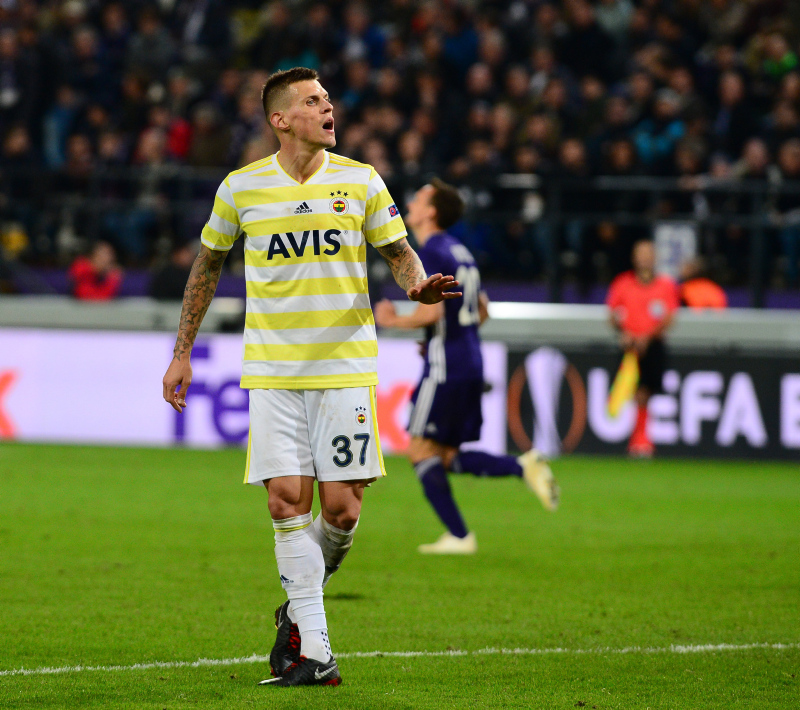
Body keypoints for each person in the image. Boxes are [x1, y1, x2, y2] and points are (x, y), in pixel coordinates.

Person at [161, 67, 459, 688]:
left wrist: (417, 286)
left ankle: (297, 610)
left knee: (343, 512)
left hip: (344, 367)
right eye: (313, 101)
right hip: (273, 370)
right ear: (281, 119)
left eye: (327, 99)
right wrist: (181, 351)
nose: (328, 108)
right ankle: (314, 653)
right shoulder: (241, 188)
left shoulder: (361, 180)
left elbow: (399, 252)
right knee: (285, 501)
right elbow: (206, 268)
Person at [374, 179, 559, 556]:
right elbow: (482, 309)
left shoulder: (432, 250)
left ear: (431, 212)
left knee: (420, 451)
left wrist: (393, 321)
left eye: (419, 198)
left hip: (446, 367)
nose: (412, 202)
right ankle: (521, 467)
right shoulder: (460, 250)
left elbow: (434, 311)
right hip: (469, 358)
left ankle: (460, 536)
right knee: (444, 455)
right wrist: (447, 337)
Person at [606, 240, 678, 457]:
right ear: (634, 258)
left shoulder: (665, 285)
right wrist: (625, 333)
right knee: (631, 391)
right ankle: (639, 439)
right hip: (629, 347)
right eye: (641, 254)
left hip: (653, 346)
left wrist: (648, 337)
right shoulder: (622, 283)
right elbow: (612, 314)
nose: (645, 258)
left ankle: (641, 438)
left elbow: (669, 317)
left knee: (647, 391)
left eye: (648, 254)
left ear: (655, 258)